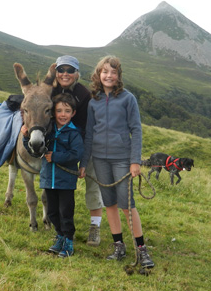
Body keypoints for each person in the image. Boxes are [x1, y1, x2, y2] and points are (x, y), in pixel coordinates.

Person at [82, 55, 153, 268]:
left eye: (113, 72)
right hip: (100, 160)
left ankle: (141, 250)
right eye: (105, 71)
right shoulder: (93, 100)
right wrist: (84, 163)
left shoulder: (128, 98)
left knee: (127, 205)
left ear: (118, 75)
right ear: (98, 74)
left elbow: (136, 130)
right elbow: (89, 134)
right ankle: (119, 246)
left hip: (122, 159)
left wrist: (135, 162)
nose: (109, 75)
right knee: (109, 204)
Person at [50, 55, 103, 246]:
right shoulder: (49, 89)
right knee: (53, 187)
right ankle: (56, 226)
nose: (65, 74)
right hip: (56, 145)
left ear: (76, 73)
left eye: (70, 70)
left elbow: (86, 127)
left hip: (81, 144)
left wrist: (81, 158)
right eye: (61, 70)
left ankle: (95, 227)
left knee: (92, 184)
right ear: (56, 72)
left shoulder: (84, 94)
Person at [41, 94, 84, 258]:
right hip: (48, 180)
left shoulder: (74, 134)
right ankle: (60, 237)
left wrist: (55, 157)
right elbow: (35, 147)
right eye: (59, 110)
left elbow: (76, 154)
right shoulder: (47, 130)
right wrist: (25, 136)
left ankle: (69, 241)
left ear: (73, 113)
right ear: (53, 112)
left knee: (65, 212)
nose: (63, 114)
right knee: (52, 212)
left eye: (67, 111)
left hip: (65, 182)